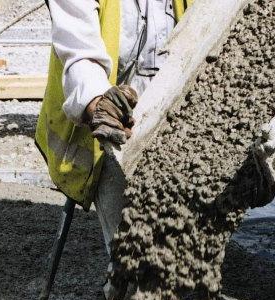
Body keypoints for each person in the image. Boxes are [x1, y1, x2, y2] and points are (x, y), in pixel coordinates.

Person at [35, 1, 192, 280]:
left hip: (179, 111)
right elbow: (77, 40)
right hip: (112, 120)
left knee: (178, 250)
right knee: (132, 258)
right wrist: (96, 100)